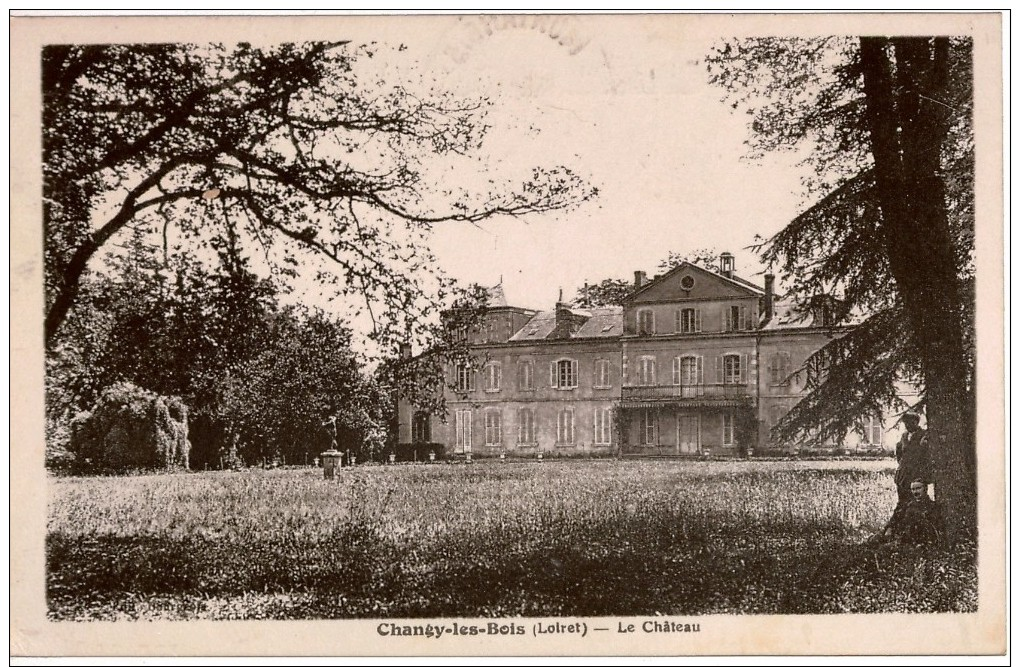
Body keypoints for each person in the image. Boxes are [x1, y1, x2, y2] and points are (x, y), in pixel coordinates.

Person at [883, 479, 943, 545]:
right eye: (913, 489)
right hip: (900, 536)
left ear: (925, 489)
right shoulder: (908, 505)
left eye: (918, 488)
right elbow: (896, 518)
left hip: (917, 542)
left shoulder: (932, 506)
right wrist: (889, 528)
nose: (915, 492)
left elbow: (930, 528)